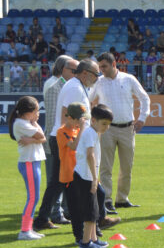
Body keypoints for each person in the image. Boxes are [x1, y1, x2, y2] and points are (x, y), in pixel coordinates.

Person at [44, 59, 119, 232]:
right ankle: (93, 221)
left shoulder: (77, 86)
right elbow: (66, 115)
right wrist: (74, 140)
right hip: (67, 140)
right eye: (95, 74)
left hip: (66, 138)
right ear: (85, 73)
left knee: (58, 182)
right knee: (71, 183)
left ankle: (46, 217)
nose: (97, 78)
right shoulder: (75, 88)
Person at [92, 52, 150, 213]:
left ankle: (122, 199)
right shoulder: (99, 82)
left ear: (113, 64)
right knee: (105, 167)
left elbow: (144, 98)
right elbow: (89, 100)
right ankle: (107, 200)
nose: (101, 69)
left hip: (127, 128)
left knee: (127, 166)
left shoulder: (128, 79)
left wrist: (142, 118)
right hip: (106, 129)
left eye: (104, 66)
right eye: (100, 67)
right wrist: (93, 121)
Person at [38, 55, 78, 229]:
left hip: (65, 139)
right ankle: (54, 213)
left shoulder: (69, 86)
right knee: (56, 180)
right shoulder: (55, 87)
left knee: (63, 179)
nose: (77, 73)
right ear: (63, 69)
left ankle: (63, 211)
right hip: (57, 140)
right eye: (74, 70)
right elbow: (55, 118)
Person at [73, 104, 114, 248]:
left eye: (108, 125)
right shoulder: (90, 133)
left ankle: (93, 239)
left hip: (88, 175)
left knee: (95, 209)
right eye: (104, 124)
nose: (106, 127)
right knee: (90, 212)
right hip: (85, 177)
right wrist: (95, 179)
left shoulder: (94, 132)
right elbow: (90, 156)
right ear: (93, 121)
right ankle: (85, 243)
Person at [10, 96, 46, 240]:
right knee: (33, 198)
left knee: (34, 197)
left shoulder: (28, 122)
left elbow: (42, 138)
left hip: (33, 161)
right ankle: (24, 231)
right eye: (36, 111)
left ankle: (28, 229)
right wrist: (36, 135)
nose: (38, 113)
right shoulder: (21, 123)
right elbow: (42, 135)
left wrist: (33, 135)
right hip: (29, 162)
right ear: (28, 111)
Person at [57, 102, 86, 244]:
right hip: (69, 175)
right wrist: (81, 130)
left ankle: (91, 231)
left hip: (80, 173)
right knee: (75, 208)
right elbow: (74, 146)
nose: (80, 122)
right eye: (78, 119)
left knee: (85, 204)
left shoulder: (76, 130)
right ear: (70, 118)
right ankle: (78, 236)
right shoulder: (62, 131)